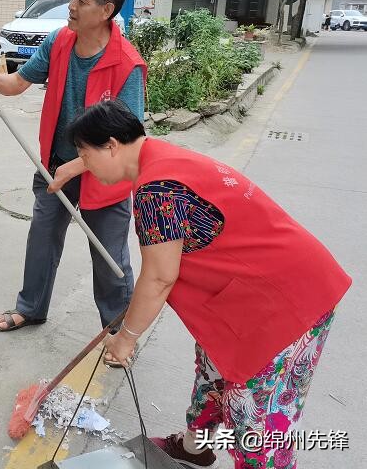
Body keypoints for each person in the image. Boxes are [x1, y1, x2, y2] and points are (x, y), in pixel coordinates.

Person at [67, 100, 351, 469]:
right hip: (262, 287)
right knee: (213, 369)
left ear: (111, 145)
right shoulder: (162, 157)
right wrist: (72, 167)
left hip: (285, 301)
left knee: (255, 417)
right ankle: (193, 447)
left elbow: (159, 276)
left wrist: (127, 338)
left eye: (84, 155)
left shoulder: (156, 191)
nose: (86, 165)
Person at [0, 0, 146, 366]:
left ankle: (119, 334)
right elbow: (17, 84)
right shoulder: (59, 41)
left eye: (81, 0)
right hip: (55, 166)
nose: (71, 6)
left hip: (105, 178)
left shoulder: (126, 64)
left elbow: (129, 142)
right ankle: (31, 308)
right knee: (42, 239)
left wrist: (78, 166)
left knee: (109, 257)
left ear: (106, 10)